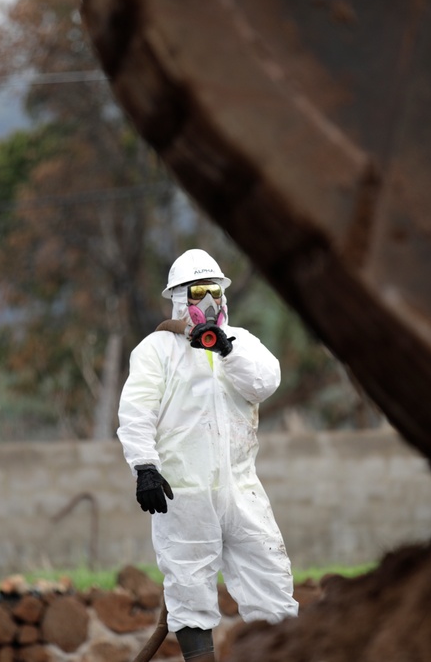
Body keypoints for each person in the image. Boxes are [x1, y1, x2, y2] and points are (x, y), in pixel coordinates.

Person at [116, 249, 299, 662]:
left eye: (215, 292)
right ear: (180, 299)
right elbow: (137, 411)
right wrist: (144, 466)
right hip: (184, 493)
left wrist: (227, 350)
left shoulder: (242, 345)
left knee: (270, 581)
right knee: (188, 588)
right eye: (199, 293)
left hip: (242, 490)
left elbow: (266, 382)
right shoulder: (157, 350)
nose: (209, 303)